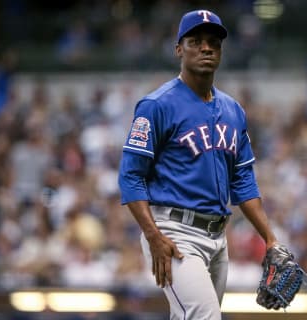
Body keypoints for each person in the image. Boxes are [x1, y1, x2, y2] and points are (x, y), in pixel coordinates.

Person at [118, 9, 279, 320]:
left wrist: (269, 237)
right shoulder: (157, 105)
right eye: (196, 41)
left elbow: (243, 181)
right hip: (174, 232)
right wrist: (153, 236)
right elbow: (131, 176)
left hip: (218, 236)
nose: (207, 48)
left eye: (213, 43)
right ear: (179, 49)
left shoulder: (233, 110)